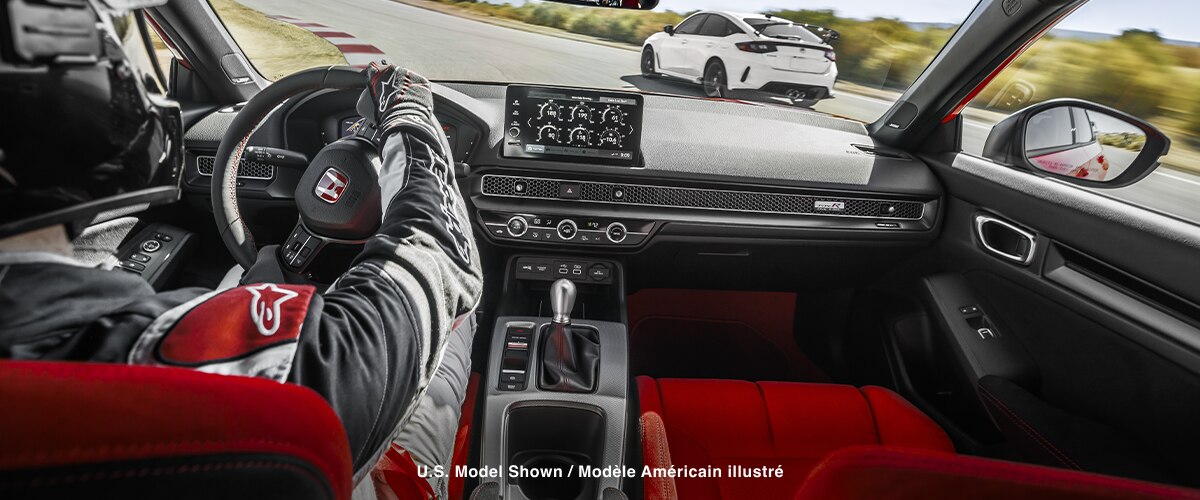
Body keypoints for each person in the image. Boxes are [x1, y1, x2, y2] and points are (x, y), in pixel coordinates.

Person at [0, 2, 480, 498]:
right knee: (457, 325)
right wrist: (412, 116)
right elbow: (440, 257)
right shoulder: (268, 385)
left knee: (239, 275)